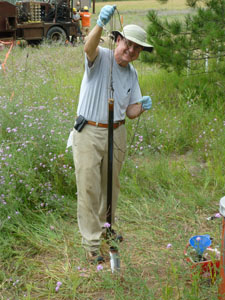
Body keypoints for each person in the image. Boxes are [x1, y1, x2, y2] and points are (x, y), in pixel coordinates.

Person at [72, 5, 153, 263]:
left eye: (137, 49)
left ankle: (107, 231)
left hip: (117, 133)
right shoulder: (100, 57)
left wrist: (142, 106)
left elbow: (129, 111)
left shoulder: (132, 73)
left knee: (111, 188)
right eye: (128, 45)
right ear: (118, 39)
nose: (130, 51)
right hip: (89, 132)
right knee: (89, 188)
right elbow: (88, 48)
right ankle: (92, 243)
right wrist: (99, 23)